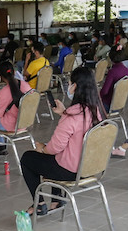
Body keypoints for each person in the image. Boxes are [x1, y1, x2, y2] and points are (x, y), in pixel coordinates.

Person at [19, 66, 104, 214]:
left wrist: (42, 148)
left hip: (70, 171)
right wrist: (64, 113)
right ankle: (57, 200)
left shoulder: (72, 117)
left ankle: (38, 204)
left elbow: (54, 148)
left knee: (28, 158)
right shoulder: (96, 111)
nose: (68, 87)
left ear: (75, 87)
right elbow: (78, 127)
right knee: (56, 156)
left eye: (70, 83)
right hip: (90, 167)